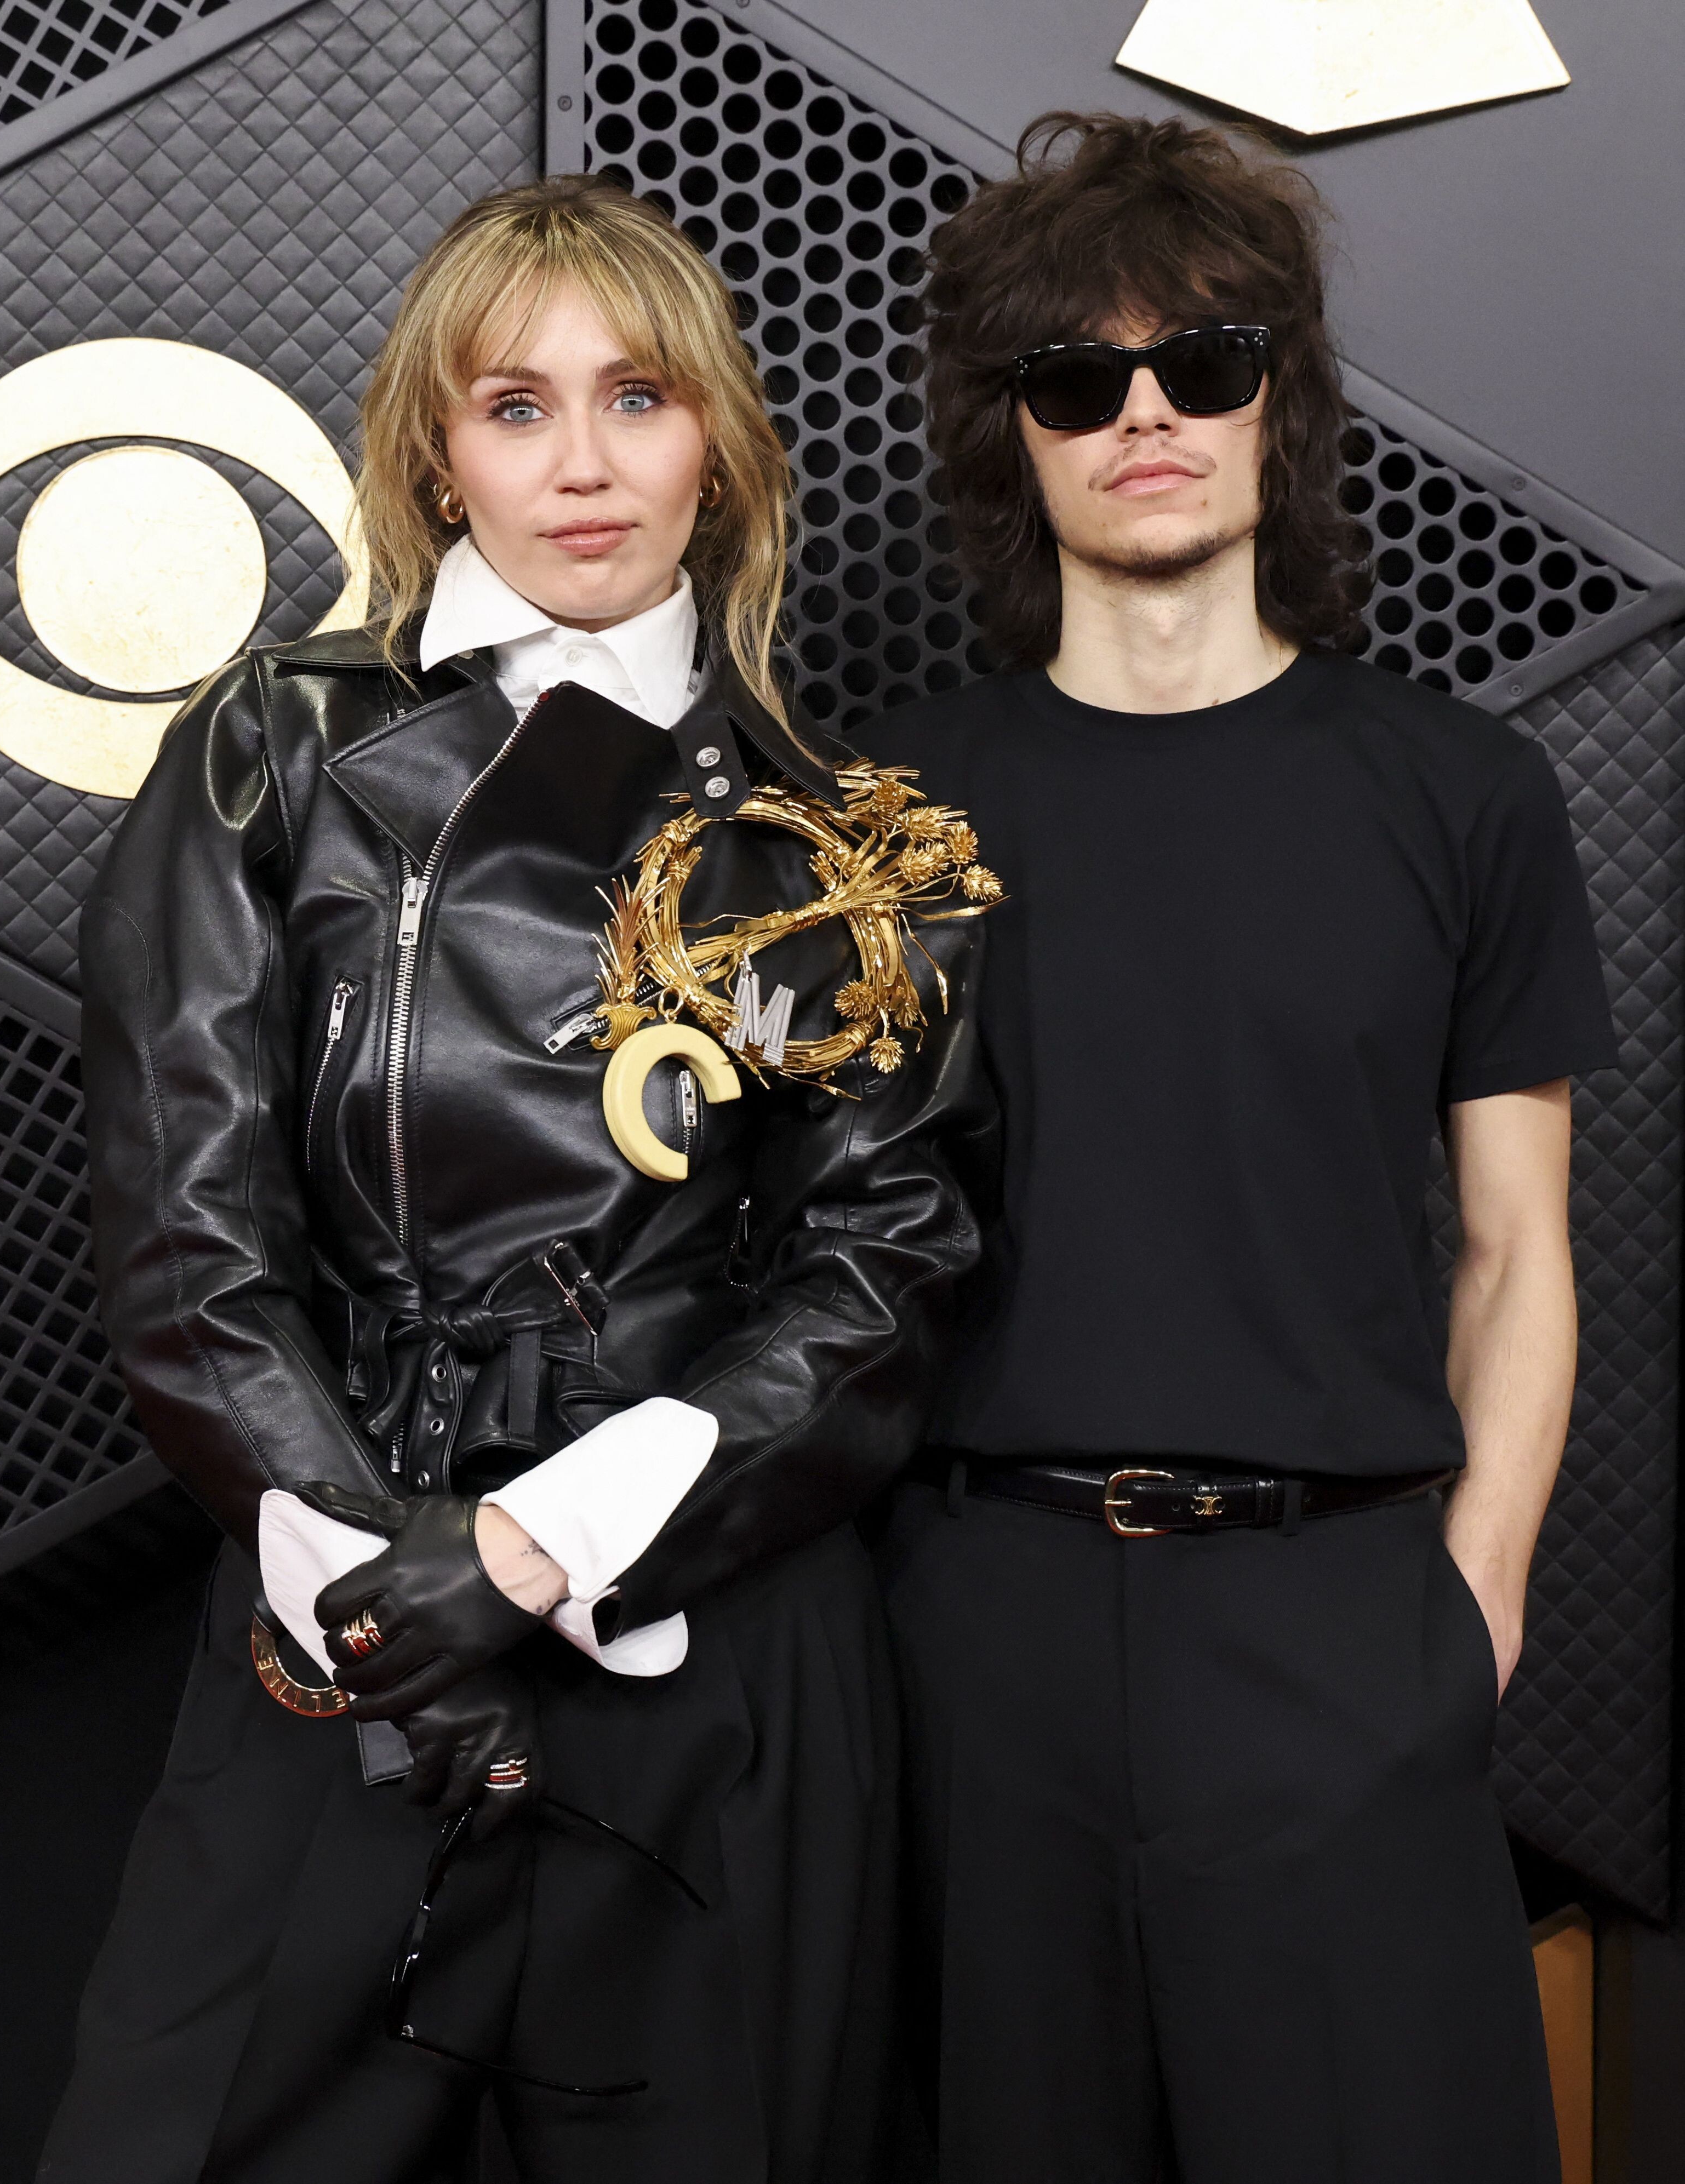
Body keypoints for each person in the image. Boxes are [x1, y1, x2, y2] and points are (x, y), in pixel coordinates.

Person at [41, 175, 992, 2184]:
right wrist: (393, 1596)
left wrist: (540, 1550)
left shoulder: (842, 845)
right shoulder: (273, 748)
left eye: (639, 397)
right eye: (517, 405)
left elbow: (884, 1275)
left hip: (707, 1630)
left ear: (718, 443)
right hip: (339, 1585)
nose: (584, 463)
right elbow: (188, 1231)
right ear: (435, 453)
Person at [870, 113, 1618, 2184]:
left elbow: (1518, 1247)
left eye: (1202, 362)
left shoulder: (1464, 793)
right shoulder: (885, 813)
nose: (1146, 416)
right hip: (976, 1623)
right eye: (1078, 378)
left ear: (1278, 402)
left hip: (1340, 1618)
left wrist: (1473, 1605)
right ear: (1013, 434)